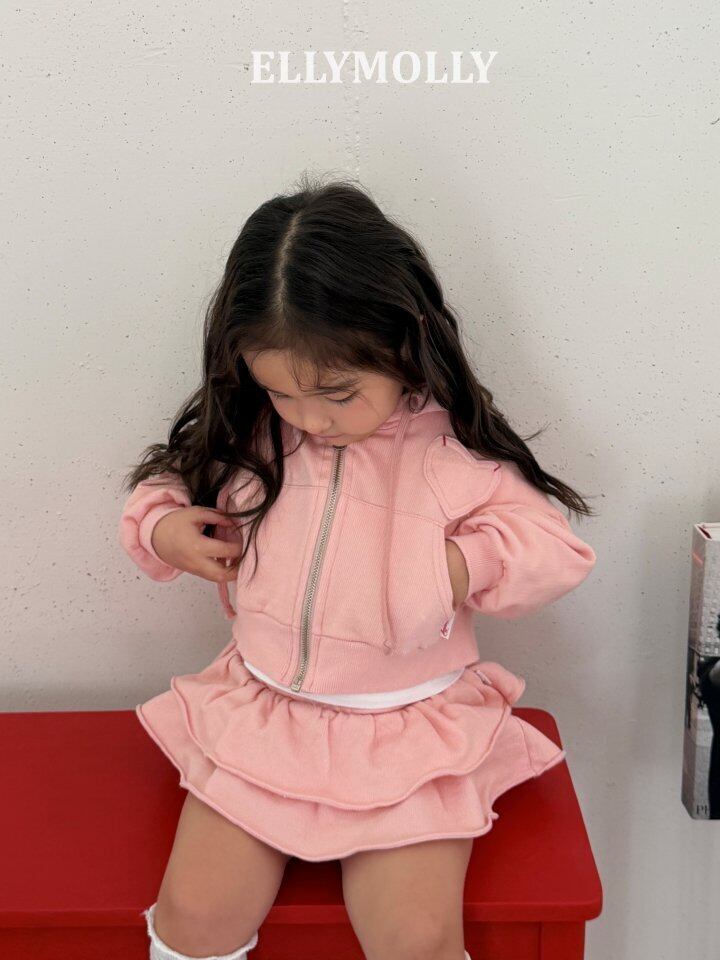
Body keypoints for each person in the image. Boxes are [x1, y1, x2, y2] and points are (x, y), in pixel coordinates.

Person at [118, 173, 598, 960]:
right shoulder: (255, 437)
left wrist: (459, 564)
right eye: (281, 394)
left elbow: (556, 549)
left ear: (402, 345)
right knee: (193, 916)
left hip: (406, 734)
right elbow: (167, 483)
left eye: (338, 394)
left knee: (414, 937)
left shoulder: (448, 453)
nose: (311, 419)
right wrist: (165, 529)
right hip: (265, 718)